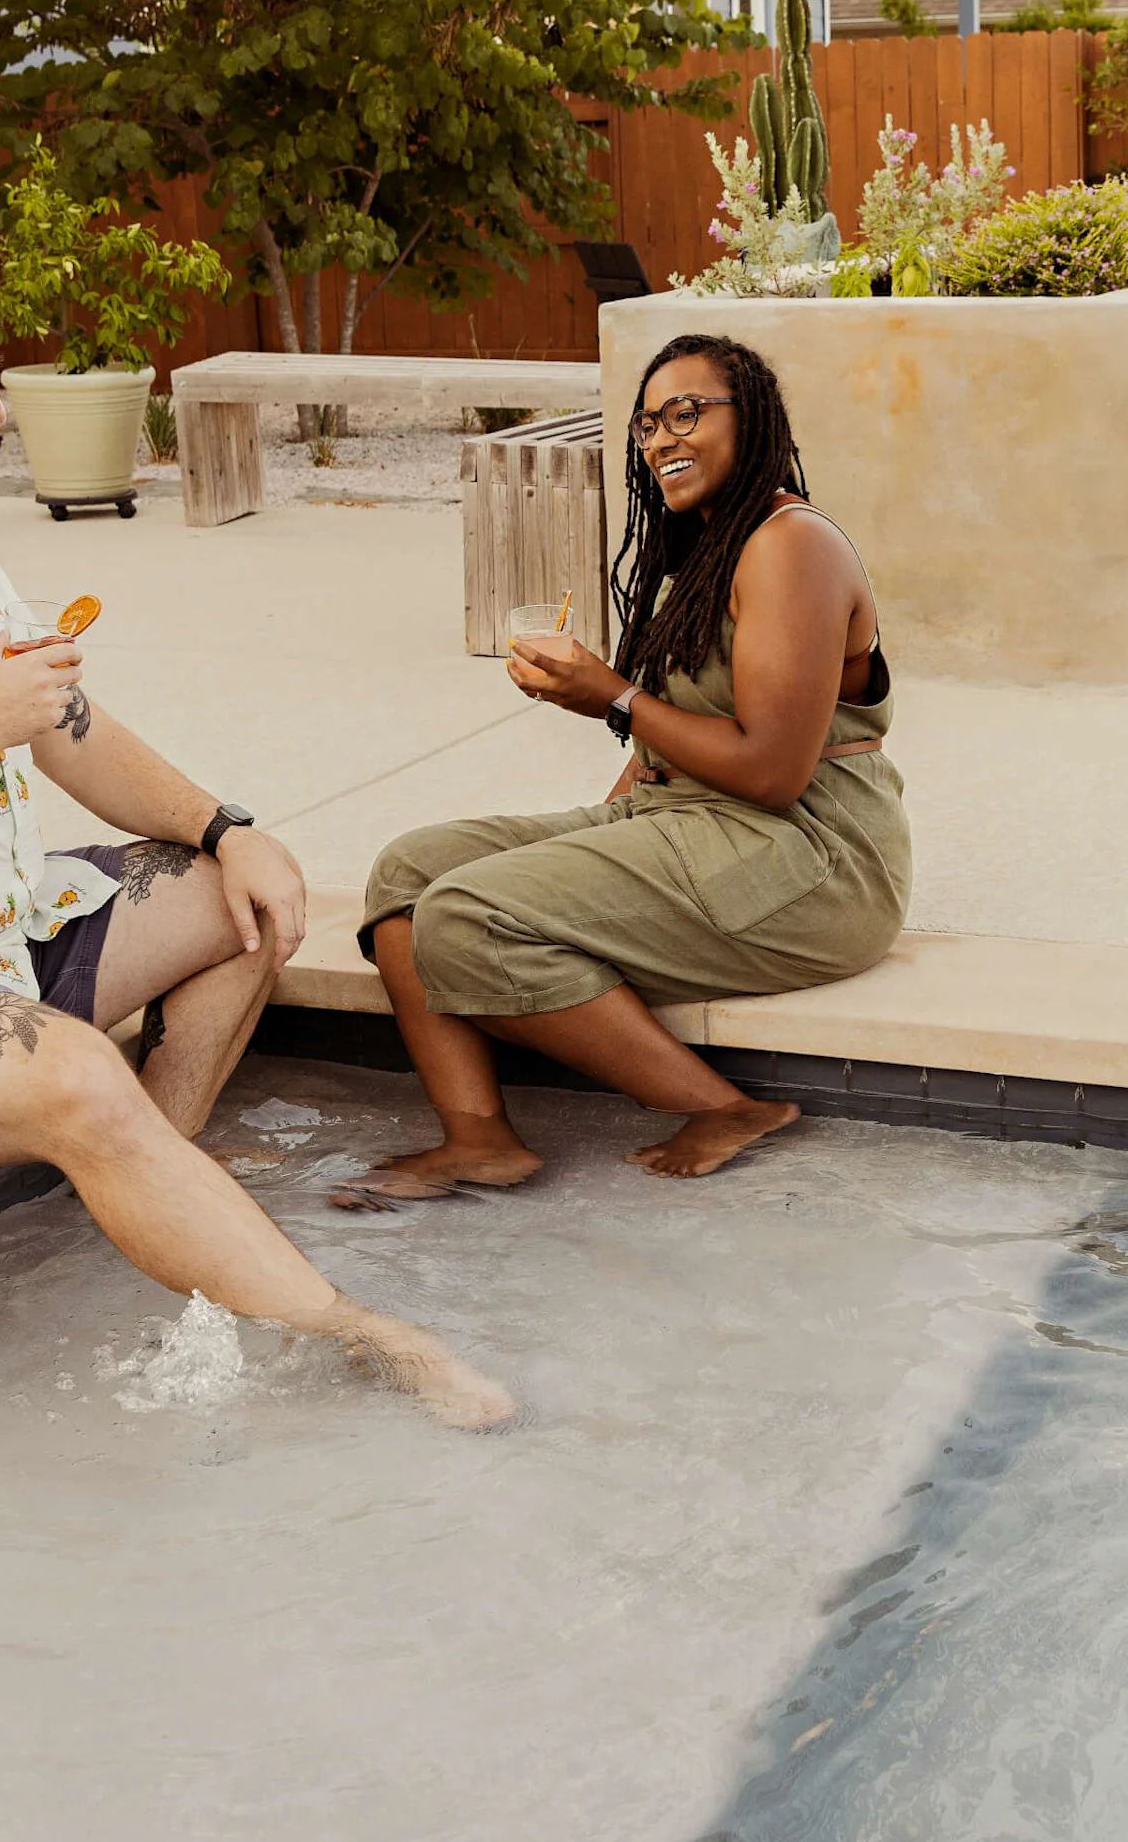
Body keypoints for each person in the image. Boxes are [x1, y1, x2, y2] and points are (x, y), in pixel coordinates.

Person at [0, 256, 507, 1428]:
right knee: (77, 1069)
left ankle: (154, 1180)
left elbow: (68, 729)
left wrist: (228, 827)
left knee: (247, 897)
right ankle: (354, 1334)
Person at [342, 333, 910, 1203]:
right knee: (409, 874)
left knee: (464, 917)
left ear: (749, 418)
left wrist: (608, 696)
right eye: (647, 426)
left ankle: (725, 1108)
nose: (661, 440)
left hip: (812, 858)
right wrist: (597, 840)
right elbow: (674, 740)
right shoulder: (706, 549)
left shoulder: (793, 545)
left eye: (687, 413)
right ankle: (479, 1137)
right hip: (693, 821)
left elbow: (772, 773)